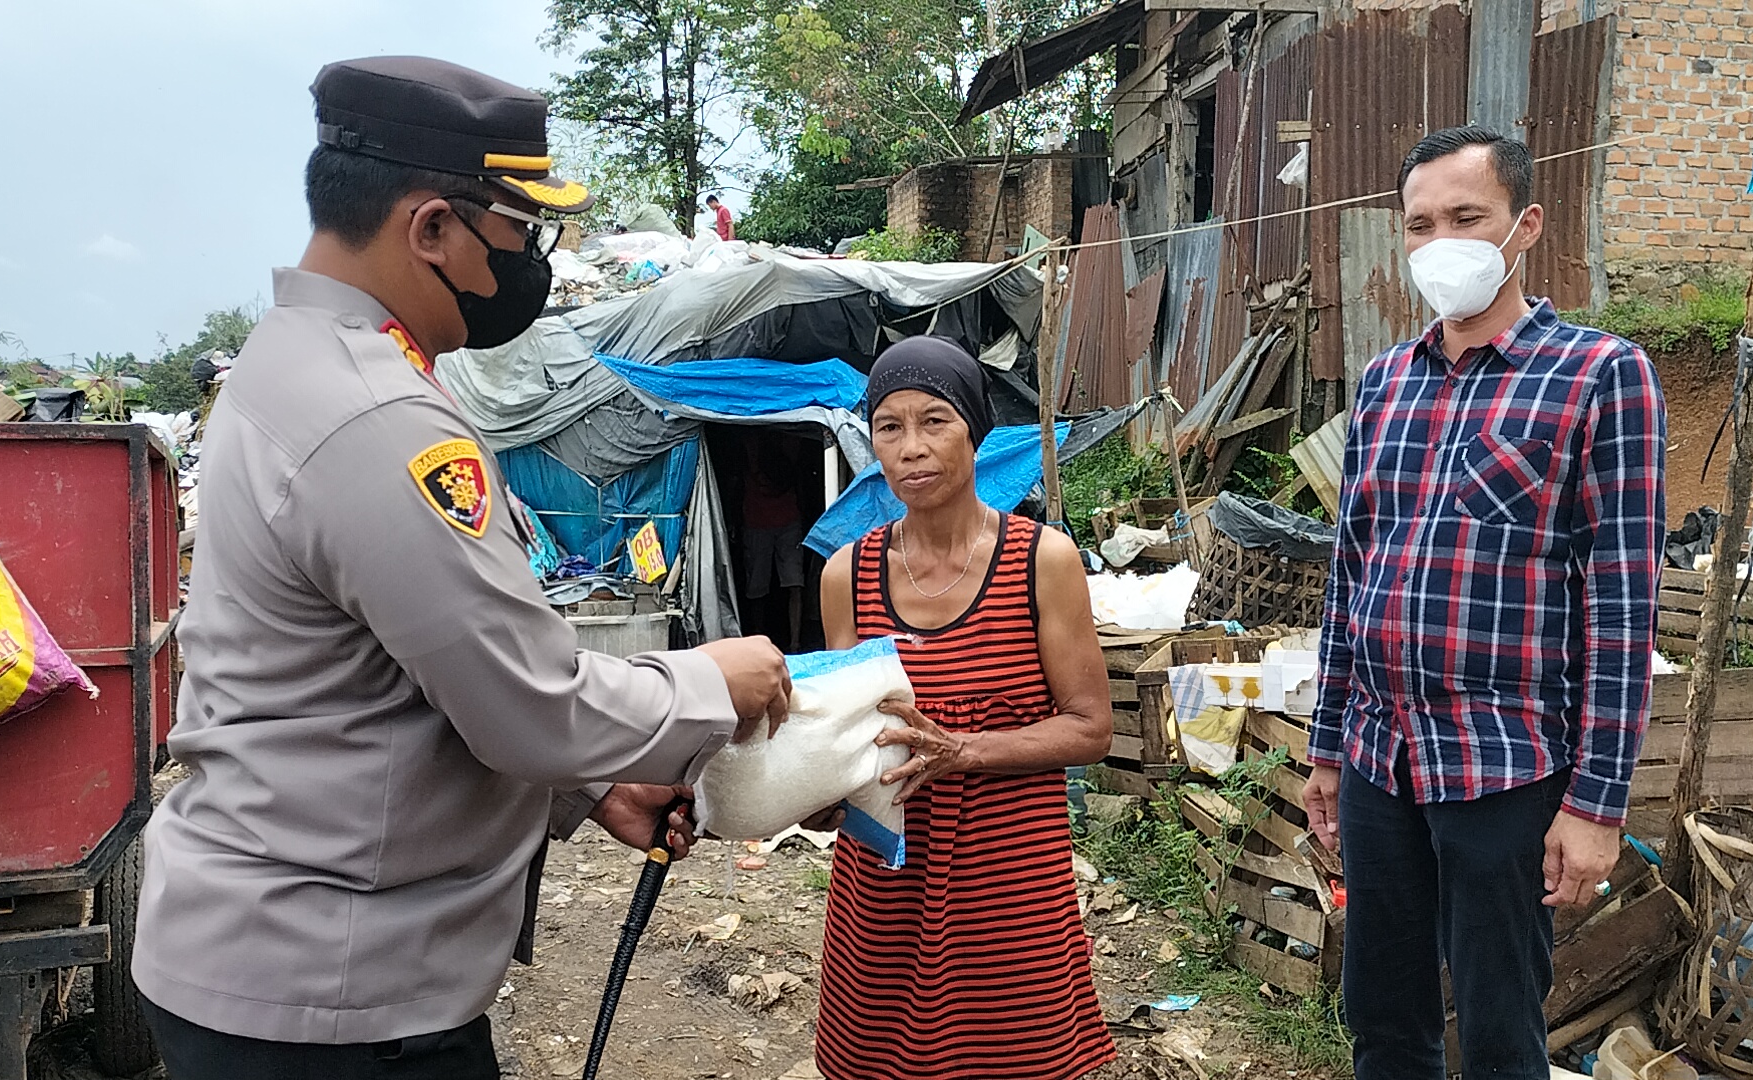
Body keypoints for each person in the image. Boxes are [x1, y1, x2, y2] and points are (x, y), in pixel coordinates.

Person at [133, 56, 791, 1080]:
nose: (530, 259)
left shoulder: (290, 358)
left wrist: (584, 786)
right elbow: (524, 698)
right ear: (432, 228)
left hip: (277, 966)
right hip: (333, 1005)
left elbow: (390, 675)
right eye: (520, 231)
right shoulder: (377, 412)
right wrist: (713, 681)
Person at [1301, 126, 1666, 1080]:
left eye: (1468, 218)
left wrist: (1596, 804)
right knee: (1384, 1019)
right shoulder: (1384, 385)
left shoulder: (1598, 376)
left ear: (1524, 225)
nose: (1441, 244)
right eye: (1419, 225)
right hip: (1383, 760)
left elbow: (1622, 610)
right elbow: (1352, 578)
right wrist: (1328, 748)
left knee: (1503, 1033)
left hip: (1505, 765)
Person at [810, 335, 1117, 1080]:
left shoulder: (1041, 560)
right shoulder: (846, 575)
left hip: (1008, 875)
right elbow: (849, 733)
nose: (911, 447)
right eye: (890, 426)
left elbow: (1091, 727)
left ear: (974, 431)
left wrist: (967, 750)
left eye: (934, 421)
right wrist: (812, 789)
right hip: (887, 876)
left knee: (1015, 1058)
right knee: (881, 1062)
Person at [739, 433, 806, 650]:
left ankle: (793, 643)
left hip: (779, 520)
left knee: (788, 584)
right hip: (761, 520)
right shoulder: (762, 443)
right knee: (763, 586)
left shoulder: (784, 440)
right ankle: (766, 642)